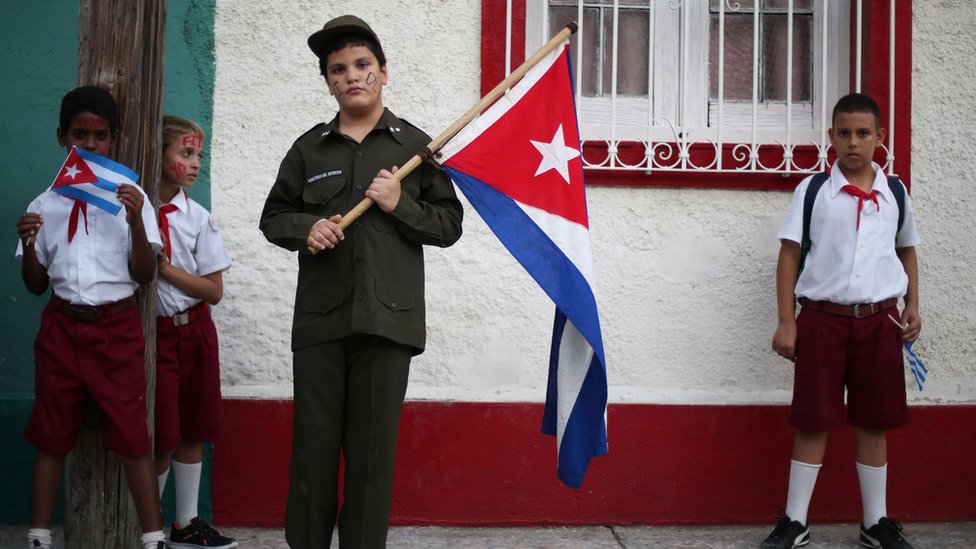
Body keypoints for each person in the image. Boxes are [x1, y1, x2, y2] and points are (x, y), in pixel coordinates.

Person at [259, 15, 463, 549]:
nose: (352, 76)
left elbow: (449, 226)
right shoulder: (309, 150)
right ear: (328, 81)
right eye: (338, 69)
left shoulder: (416, 147)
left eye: (362, 66)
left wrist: (402, 204)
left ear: (383, 73)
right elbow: (274, 217)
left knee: (373, 461)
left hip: (386, 323)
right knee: (313, 455)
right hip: (322, 321)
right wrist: (309, 228)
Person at [764, 93, 921, 549]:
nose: (854, 143)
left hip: (878, 322)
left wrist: (913, 303)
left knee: (874, 421)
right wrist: (786, 320)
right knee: (813, 419)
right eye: (845, 133)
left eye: (863, 134)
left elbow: (906, 249)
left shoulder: (895, 193)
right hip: (821, 321)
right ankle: (795, 522)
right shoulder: (814, 191)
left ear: (880, 138)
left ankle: (875, 523)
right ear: (831, 137)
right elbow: (789, 253)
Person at [14, 85, 166, 549]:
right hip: (61, 326)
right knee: (51, 433)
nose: (91, 145)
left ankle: (153, 536)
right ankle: (39, 536)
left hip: (116, 329)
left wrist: (137, 221)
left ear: (113, 139)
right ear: (63, 137)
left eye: (100, 136)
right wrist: (30, 245)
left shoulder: (131, 197)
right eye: (81, 136)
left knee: (132, 435)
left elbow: (144, 275)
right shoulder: (44, 205)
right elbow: (36, 285)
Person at [152, 115, 237, 549]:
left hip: (196, 330)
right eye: (185, 153)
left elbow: (214, 290)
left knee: (193, 428)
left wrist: (167, 270)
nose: (195, 162)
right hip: (156, 338)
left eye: (198, 154)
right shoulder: (134, 215)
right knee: (161, 434)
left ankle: (185, 523)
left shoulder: (197, 218)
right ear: (157, 155)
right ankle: (145, 529)